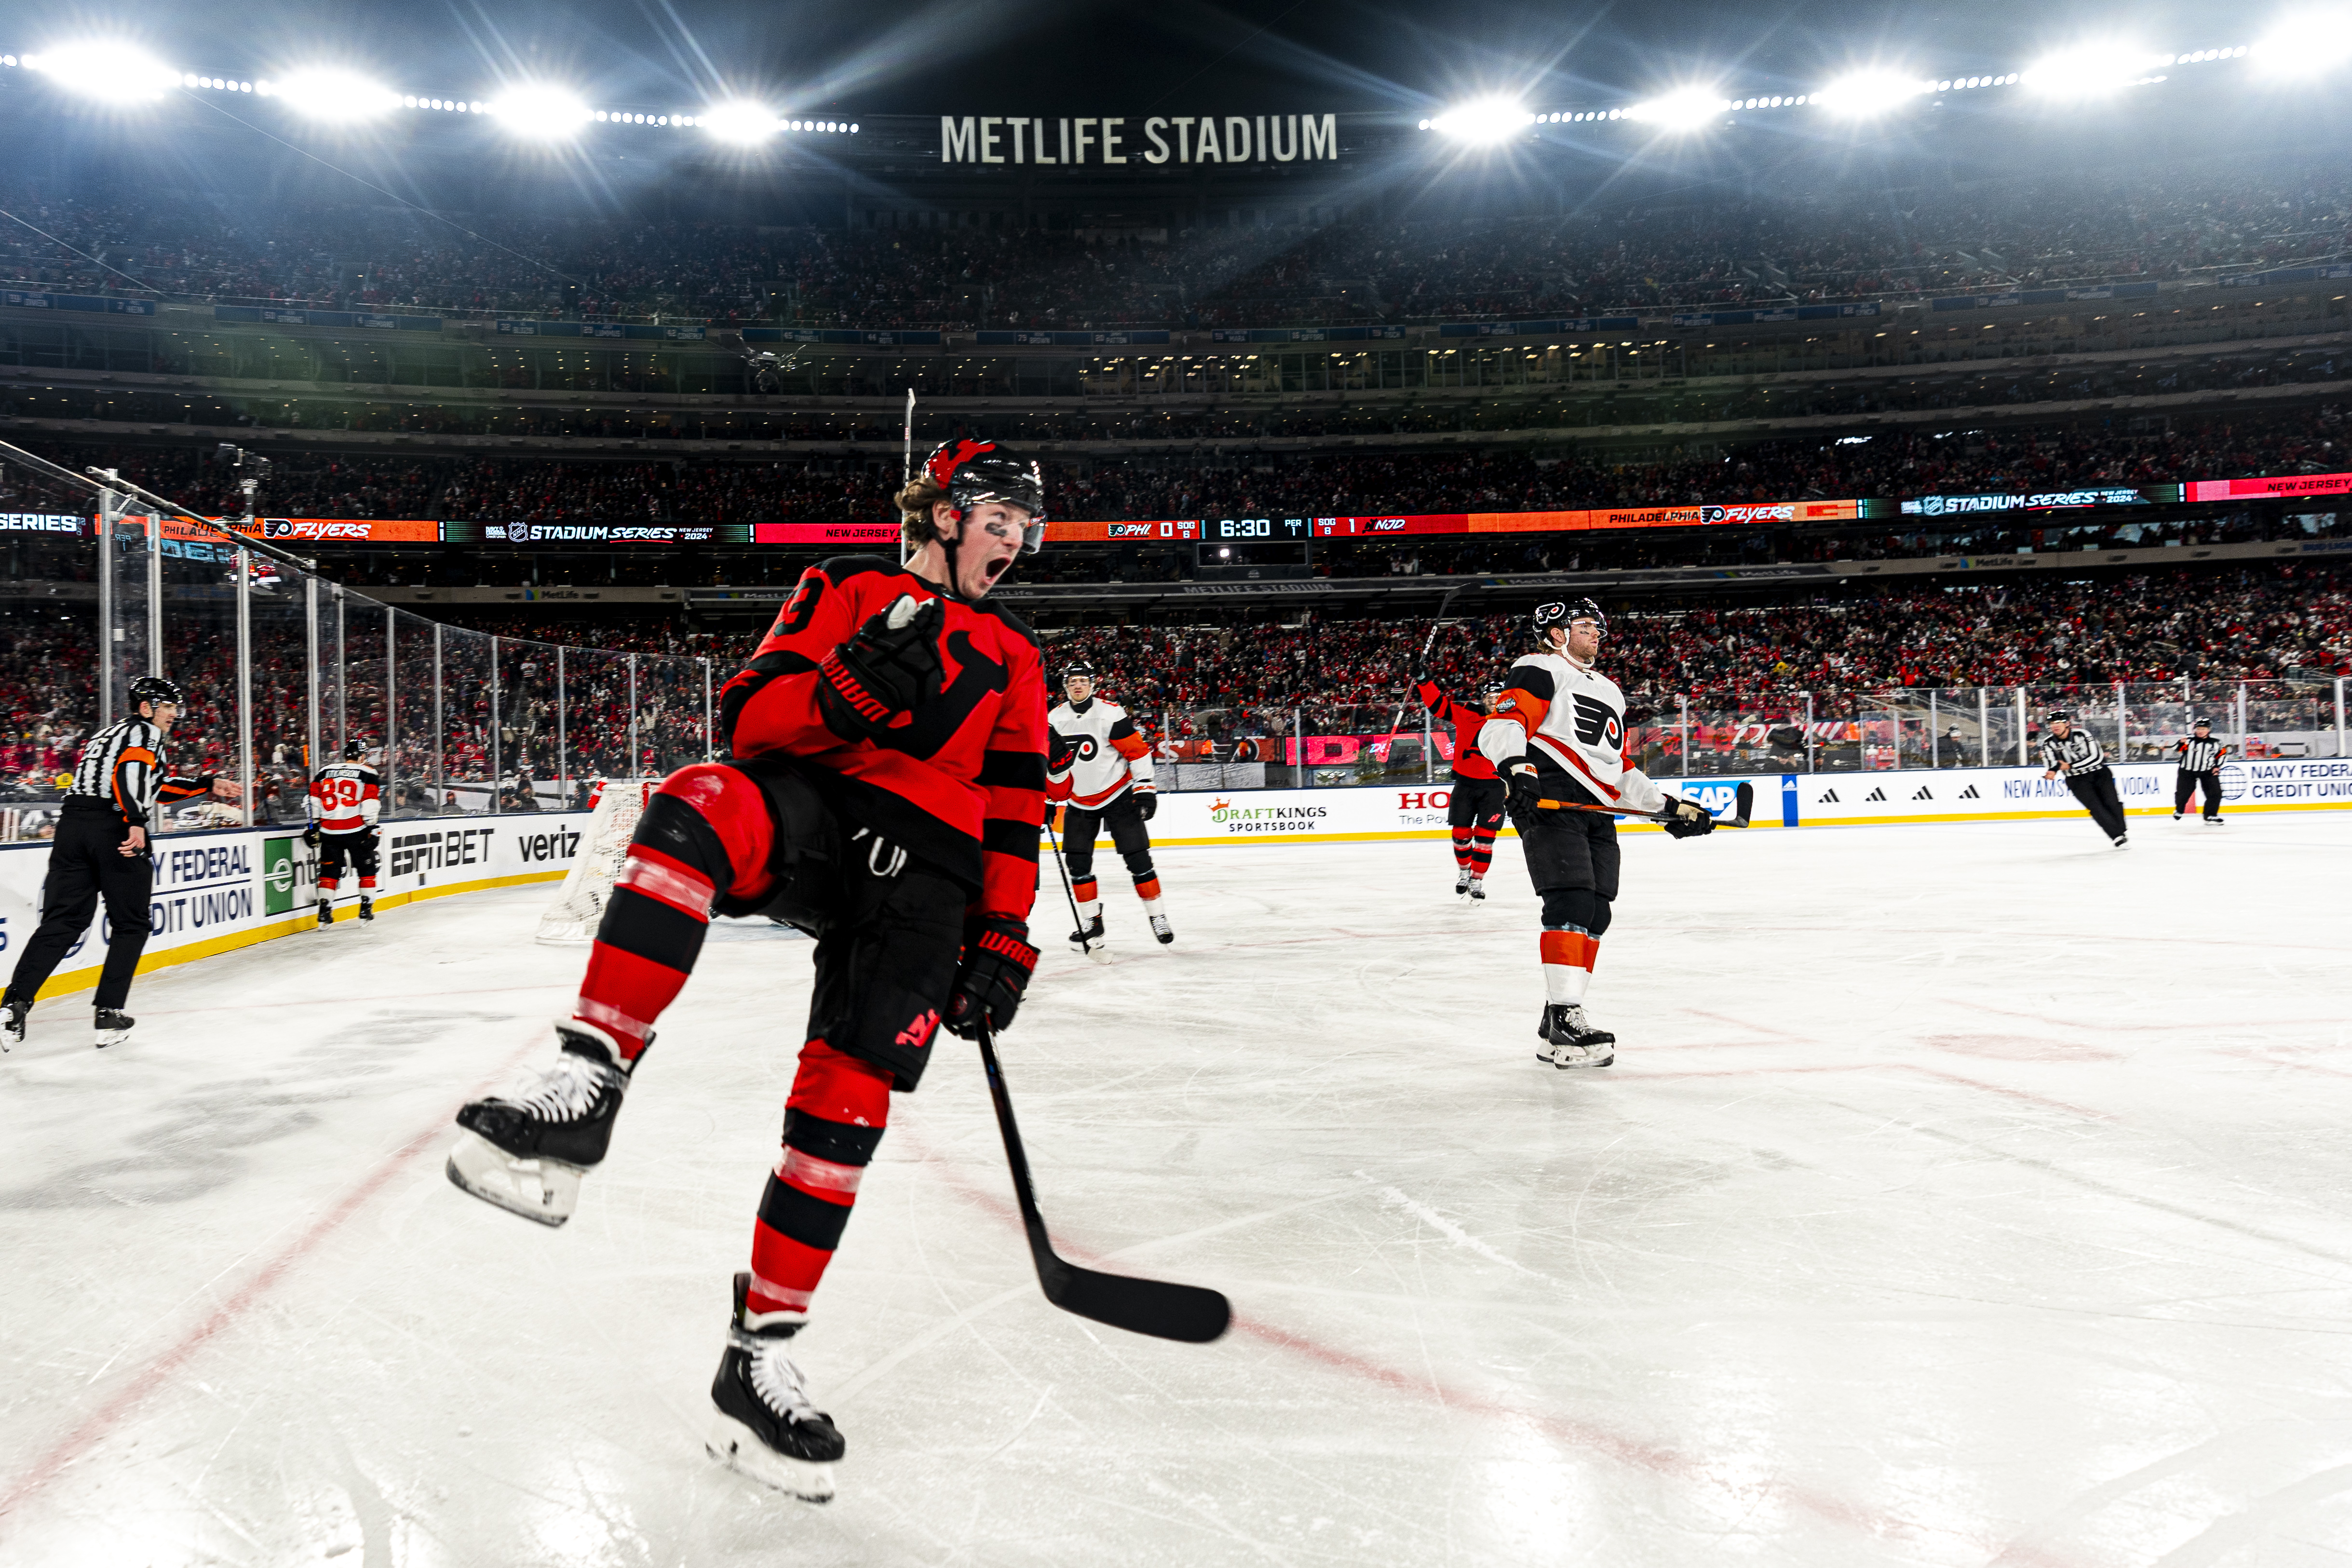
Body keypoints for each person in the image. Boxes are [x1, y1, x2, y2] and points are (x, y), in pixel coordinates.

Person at [444, 438, 1049, 1504]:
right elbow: (749, 723)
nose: (1016, 541)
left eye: (1024, 527)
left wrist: (1003, 932)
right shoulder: (847, 587)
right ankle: (587, 1085)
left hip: (931, 885)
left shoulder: (1016, 653)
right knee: (700, 801)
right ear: (946, 515)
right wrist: (844, 698)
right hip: (827, 812)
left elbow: (1014, 807)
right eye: (1000, 518)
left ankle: (757, 1356)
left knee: (845, 1117)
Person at [1478, 600, 1717, 1069]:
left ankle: (1556, 1024)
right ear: (1555, 634)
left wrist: (1670, 809)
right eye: (1584, 626)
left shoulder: (1609, 690)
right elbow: (1504, 725)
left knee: (1596, 910)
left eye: (1598, 627)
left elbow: (1617, 767)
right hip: (1550, 794)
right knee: (1569, 901)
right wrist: (1519, 771)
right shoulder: (1539, 669)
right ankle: (1568, 1015)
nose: (1596, 634)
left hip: (1595, 805)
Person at [2, 676, 215, 1051]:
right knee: (131, 923)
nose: (174, 714)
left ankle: (13, 1005)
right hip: (113, 826)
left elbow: (155, 787)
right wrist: (135, 820)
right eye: (168, 707)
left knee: (63, 921)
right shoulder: (145, 733)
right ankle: (109, 1012)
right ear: (146, 707)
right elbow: (130, 776)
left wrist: (205, 785)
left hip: (72, 827)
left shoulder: (110, 734)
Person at [1046, 660, 1170, 949]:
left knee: (1138, 859)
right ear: (1066, 687)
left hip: (1118, 794)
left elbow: (1137, 753)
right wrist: (1049, 799)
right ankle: (1092, 923)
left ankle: (1158, 916)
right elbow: (1051, 764)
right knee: (1077, 864)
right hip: (1078, 799)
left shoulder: (1110, 714)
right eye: (1073, 681)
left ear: (1092, 684)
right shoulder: (1054, 719)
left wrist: (1145, 789)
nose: (1078, 686)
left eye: (1083, 681)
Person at [1413, 667, 1505, 901]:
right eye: (1490, 697)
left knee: (1486, 839)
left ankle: (1477, 880)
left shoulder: (1514, 720)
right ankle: (1465, 872)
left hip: (1495, 787)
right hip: (1465, 784)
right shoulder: (1466, 712)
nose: (1494, 701)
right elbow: (1437, 705)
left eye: (1499, 697)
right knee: (1461, 834)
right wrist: (1424, 680)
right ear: (1482, 699)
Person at [307, 740, 383, 925]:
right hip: (355, 829)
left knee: (329, 870)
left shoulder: (323, 771)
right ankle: (366, 909)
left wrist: (314, 826)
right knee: (367, 869)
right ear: (362, 756)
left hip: (328, 830)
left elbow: (313, 800)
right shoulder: (368, 772)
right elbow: (370, 803)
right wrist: (372, 829)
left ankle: (324, 910)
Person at [2038, 709, 2128, 847]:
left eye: (2058, 722)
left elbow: (2096, 758)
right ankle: (2117, 836)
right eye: (2051, 723)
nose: (2054, 726)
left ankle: (2120, 831)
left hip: (2100, 774)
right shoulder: (2048, 743)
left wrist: (2070, 765)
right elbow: (2052, 762)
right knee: (2096, 808)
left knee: (2112, 803)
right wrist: (2052, 771)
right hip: (2076, 781)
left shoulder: (2083, 734)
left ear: (2067, 723)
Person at [2172, 717, 2227, 824]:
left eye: (2204, 729)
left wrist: (2217, 766)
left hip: (2208, 771)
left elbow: (2223, 755)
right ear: (2195, 729)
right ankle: (2179, 810)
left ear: (2209, 730)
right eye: (2198, 728)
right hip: (2187, 771)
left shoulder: (2216, 742)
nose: (2201, 731)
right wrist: (2181, 743)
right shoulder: (2188, 740)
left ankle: (2210, 815)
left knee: (2216, 793)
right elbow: (2176, 750)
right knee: (2183, 793)